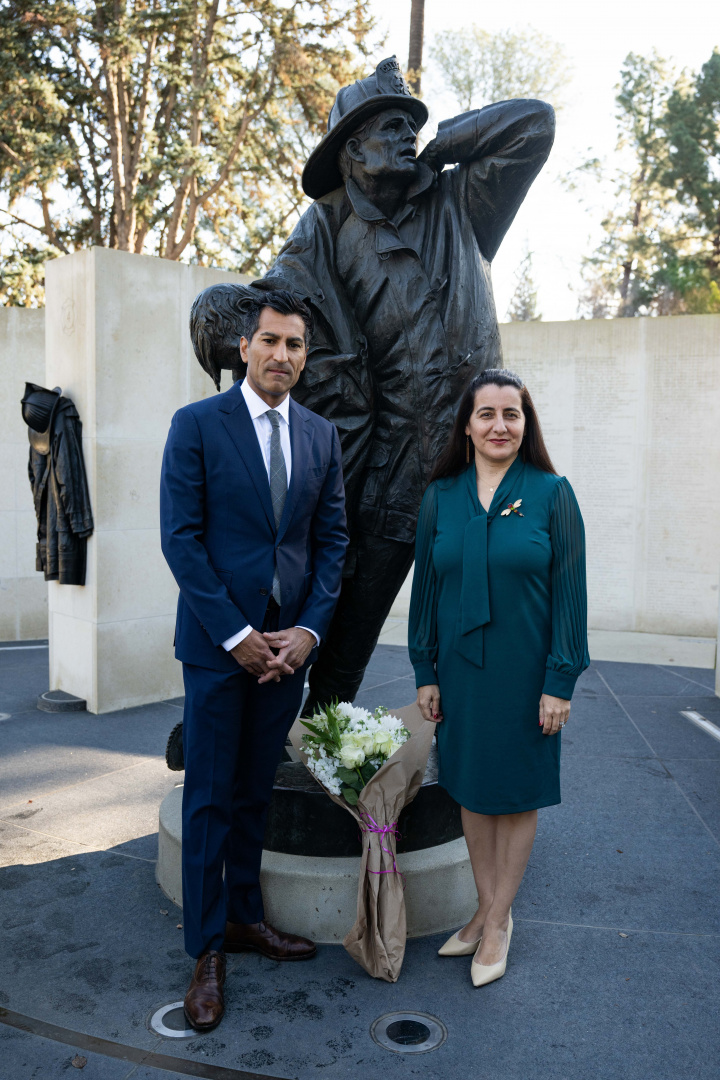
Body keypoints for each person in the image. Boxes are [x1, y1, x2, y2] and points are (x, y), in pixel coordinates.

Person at [208, 55, 555, 716]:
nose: (405, 135)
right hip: (393, 462)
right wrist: (220, 314)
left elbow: (533, 125)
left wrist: (442, 144)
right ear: (350, 150)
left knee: (484, 620)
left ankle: (478, 745)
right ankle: (309, 736)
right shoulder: (328, 224)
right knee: (350, 617)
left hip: (485, 459)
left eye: (409, 125)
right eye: (388, 126)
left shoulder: (461, 200)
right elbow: (276, 304)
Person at [160, 290, 348, 1031]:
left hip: (286, 650)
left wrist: (308, 633)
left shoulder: (321, 436)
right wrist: (236, 634)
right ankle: (207, 951)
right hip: (219, 648)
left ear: (306, 356)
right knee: (209, 796)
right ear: (244, 347)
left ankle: (245, 918)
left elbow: (331, 544)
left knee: (253, 794)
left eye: (295, 344)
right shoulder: (197, 425)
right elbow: (181, 539)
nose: (282, 355)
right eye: (270, 340)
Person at [409, 368, 589, 988]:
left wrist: (560, 681)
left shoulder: (552, 493)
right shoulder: (441, 497)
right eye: (486, 413)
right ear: (467, 424)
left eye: (511, 414)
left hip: (527, 676)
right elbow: (425, 593)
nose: (499, 426)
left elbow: (570, 596)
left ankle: (496, 923)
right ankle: (488, 910)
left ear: (525, 423)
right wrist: (425, 670)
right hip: (461, 675)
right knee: (470, 791)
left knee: (515, 795)